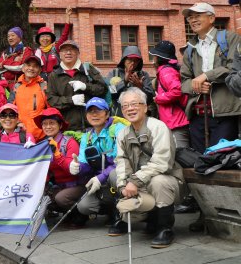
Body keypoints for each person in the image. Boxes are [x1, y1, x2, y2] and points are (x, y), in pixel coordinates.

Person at [181, 2, 241, 232]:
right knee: (198, 162)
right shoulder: (190, 48)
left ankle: (227, 211)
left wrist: (207, 75)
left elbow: (233, 68)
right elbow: (183, 81)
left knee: (221, 162)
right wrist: (196, 87)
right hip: (198, 113)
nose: (193, 20)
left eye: (198, 16)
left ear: (211, 18)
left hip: (224, 111)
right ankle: (204, 213)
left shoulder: (230, 39)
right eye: (190, 17)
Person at [109, 88, 183, 248]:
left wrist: (134, 181)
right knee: (115, 175)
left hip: (170, 182)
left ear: (145, 107)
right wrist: (123, 186)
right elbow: (121, 161)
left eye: (135, 104)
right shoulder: (122, 134)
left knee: (159, 181)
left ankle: (165, 228)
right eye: (125, 106)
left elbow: (162, 162)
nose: (130, 108)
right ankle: (140, 218)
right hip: (141, 183)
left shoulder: (158, 127)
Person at [76, 97, 127, 222]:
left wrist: (100, 177)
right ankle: (111, 209)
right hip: (101, 183)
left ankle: (124, 210)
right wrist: (78, 167)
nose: (94, 115)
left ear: (107, 114)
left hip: (117, 176)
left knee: (115, 175)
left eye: (98, 111)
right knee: (84, 206)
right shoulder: (86, 137)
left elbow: (119, 161)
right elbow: (85, 164)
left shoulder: (118, 129)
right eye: (90, 111)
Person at [34, 107, 87, 226]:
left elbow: (71, 169)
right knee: (41, 196)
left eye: (52, 123)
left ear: (60, 125)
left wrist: (57, 153)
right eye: (44, 124)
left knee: (60, 198)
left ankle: (80, 214)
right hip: (58, 185)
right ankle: (68, 214)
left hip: (77, 184)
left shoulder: (69, 142)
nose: (48, 127)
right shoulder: (43, 144)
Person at [46, 40, 108, 132]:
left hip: (92, 126)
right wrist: (71, 100)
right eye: (65, 50)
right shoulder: (54, 75)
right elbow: (51, 100)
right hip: (67, 128)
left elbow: (102, 89)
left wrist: (85, 87)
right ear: (60, 54)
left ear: (78, 53)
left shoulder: (88, 69)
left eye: (72, 50)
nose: (68, 52)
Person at [150, 41, 189, 148]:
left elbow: (177, 91)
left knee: (182, 156)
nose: (153, 60)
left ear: (159, 57)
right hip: (173, 122)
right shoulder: (166, 70)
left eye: (154, 56)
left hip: (176, 122)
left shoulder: (166, 71)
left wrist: (158, 98)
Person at [8, 56, 48, 142]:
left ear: (40, 70)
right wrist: (17, 123)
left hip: (41, 136)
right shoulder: (16, 87)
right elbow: (10, 109)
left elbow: (50, 110)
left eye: (35, 66)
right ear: (23, 68)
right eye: (28, 65)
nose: (31, 68)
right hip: (21, 135)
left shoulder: (44, 86)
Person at [106, 46, 155, 116]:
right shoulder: (114, 73)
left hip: (138, 116)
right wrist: (124, 81)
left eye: (136, 61)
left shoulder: (143, 75)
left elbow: (150, 99)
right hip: (119, 116)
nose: (133, 63)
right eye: (130, 60)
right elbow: (110, 94)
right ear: (124, 60)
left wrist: (140, 87)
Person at [34, 7, 73, 81]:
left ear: (51, 39)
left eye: (47, 36)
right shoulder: (36, 52)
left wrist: (67, 17)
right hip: (40, 80)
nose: (45, 39)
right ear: (39, 39)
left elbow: (64, 36)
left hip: (56, 79)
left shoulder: (55, 49)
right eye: (42, 36)